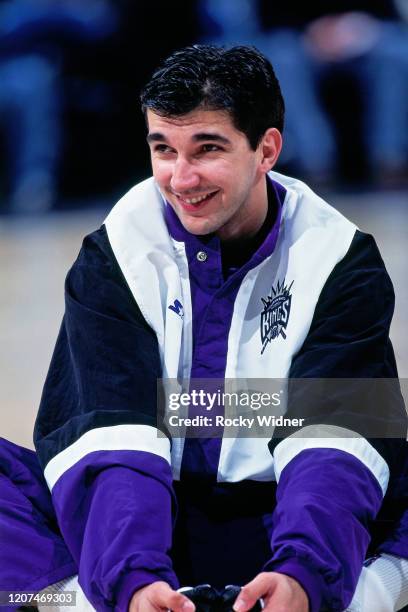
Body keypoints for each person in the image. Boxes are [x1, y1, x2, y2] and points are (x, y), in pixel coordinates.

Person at [1, 44, 408, 612]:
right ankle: (95, 601)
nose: (180, 177)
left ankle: (355, 594)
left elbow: (333, 435)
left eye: (207, 148)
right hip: (146, 522)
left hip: (291, 519)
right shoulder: (115, 253)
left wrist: (304, 574)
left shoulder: (339, 259)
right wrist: (133, 580)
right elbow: (110, 430)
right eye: (162, 149)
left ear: (266, 149)